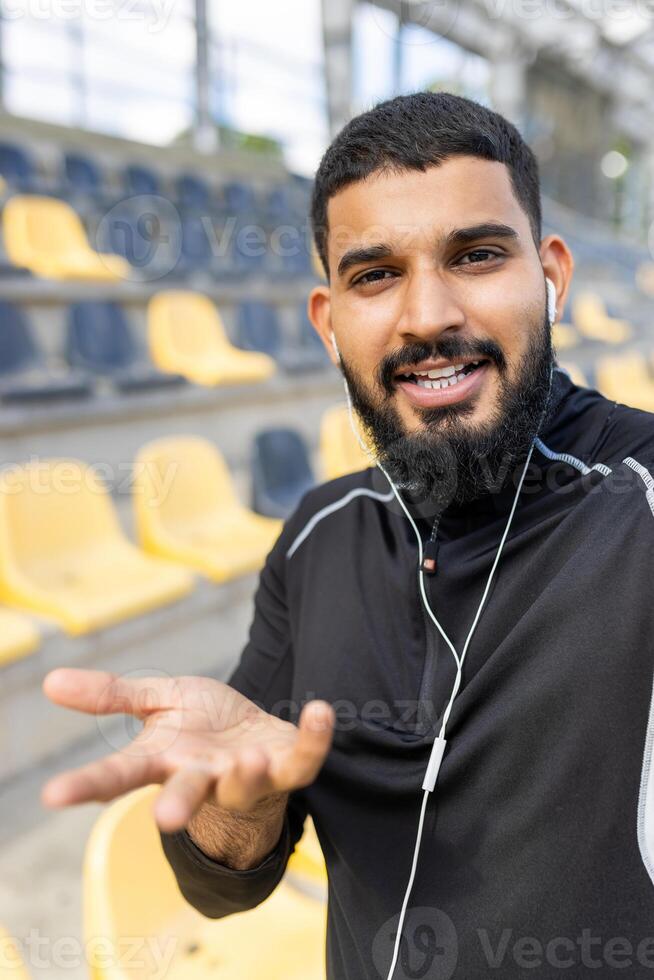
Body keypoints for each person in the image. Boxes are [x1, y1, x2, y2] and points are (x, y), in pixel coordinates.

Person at [42, 92, 654, 979]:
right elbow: (227, 885)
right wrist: (237, 811)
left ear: (551, 276)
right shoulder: (317, 537)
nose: (428, 316)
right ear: (330, 324)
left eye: (477, 256)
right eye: (375, 276)